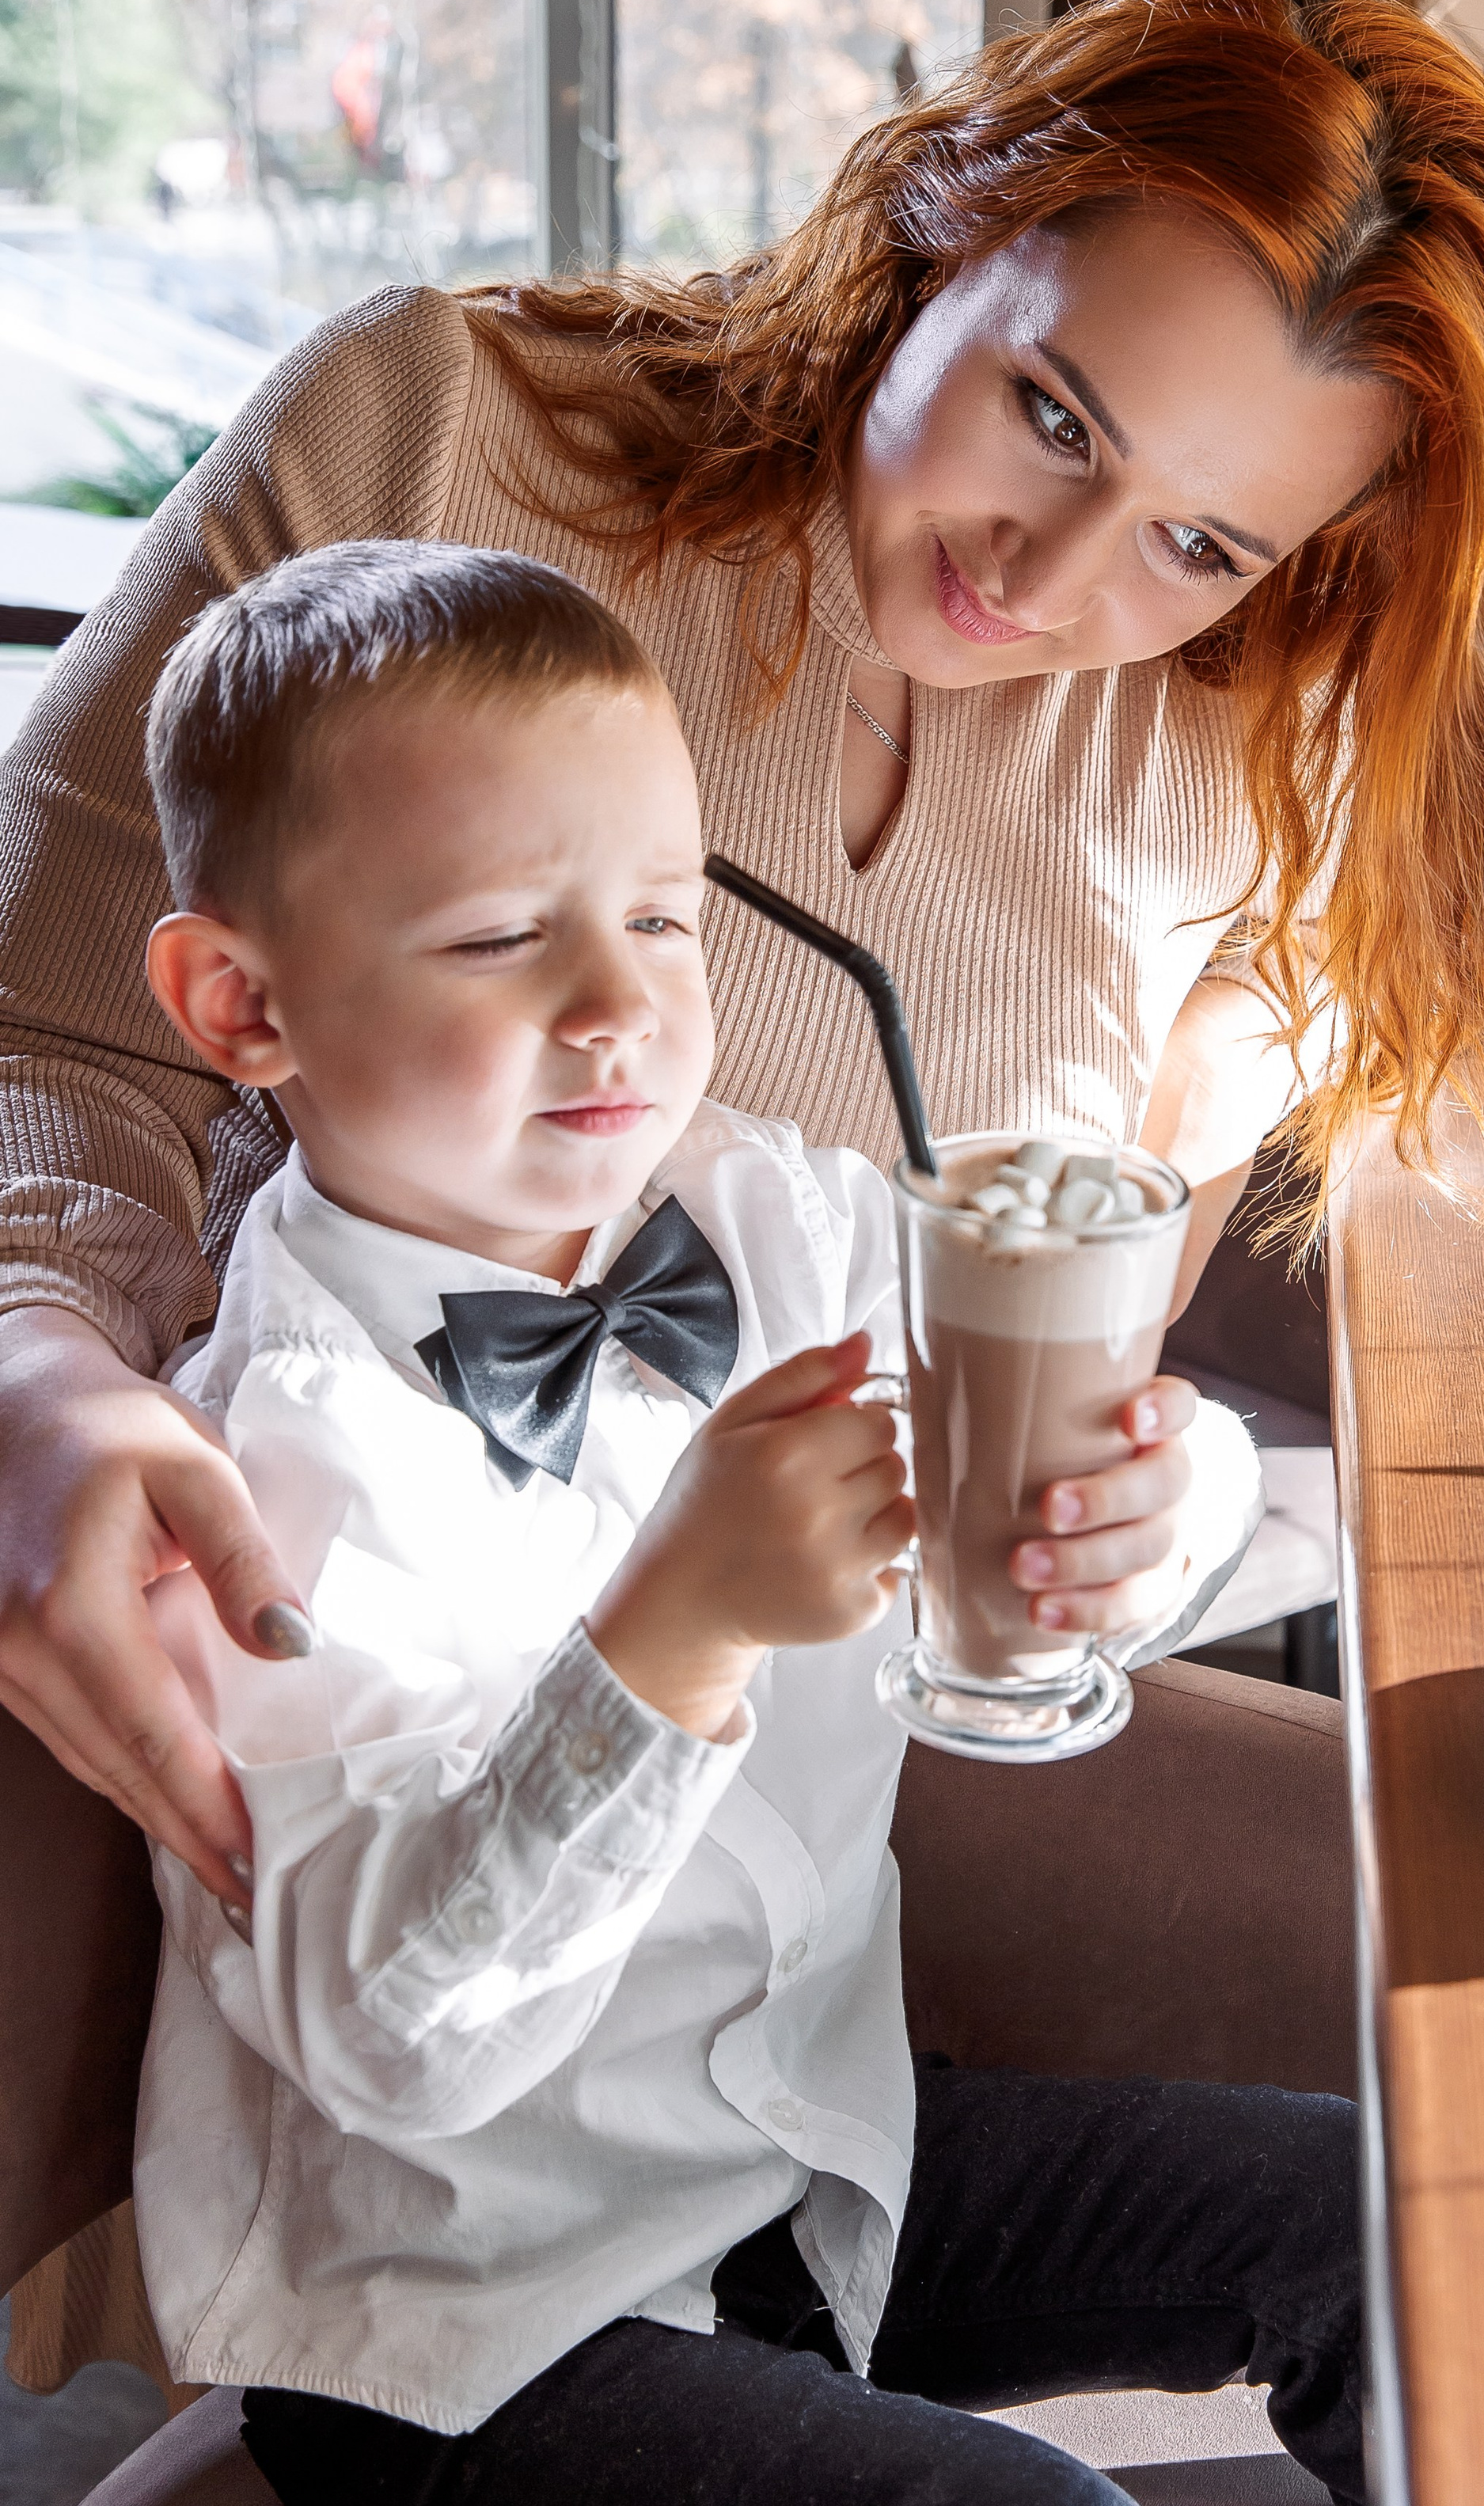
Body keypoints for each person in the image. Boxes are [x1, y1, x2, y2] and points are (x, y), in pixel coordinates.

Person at [0, 0, 1484, 1921]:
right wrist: (36, 1364)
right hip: (364, 1754)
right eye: (1049, 413)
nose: (1043, 579)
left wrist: (1124, 1496)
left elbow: (1066, 1390)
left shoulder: (1239, 739)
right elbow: (52, 1023)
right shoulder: (433, 434)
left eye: (1197, 540)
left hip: (841, 1797)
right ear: (942, 222)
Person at [130, 539, 1357, 2505]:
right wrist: (667, 1639)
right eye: (497, 939)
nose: (618, 1005)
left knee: (1363, 2221)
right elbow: (388, 2040)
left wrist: (1161, 1497)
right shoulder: (276, 1464)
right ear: (242, 1004)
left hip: (809, 2161)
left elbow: (1046, 1472)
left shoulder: (773, 1215)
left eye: (659, 914)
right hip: (472, 2336)